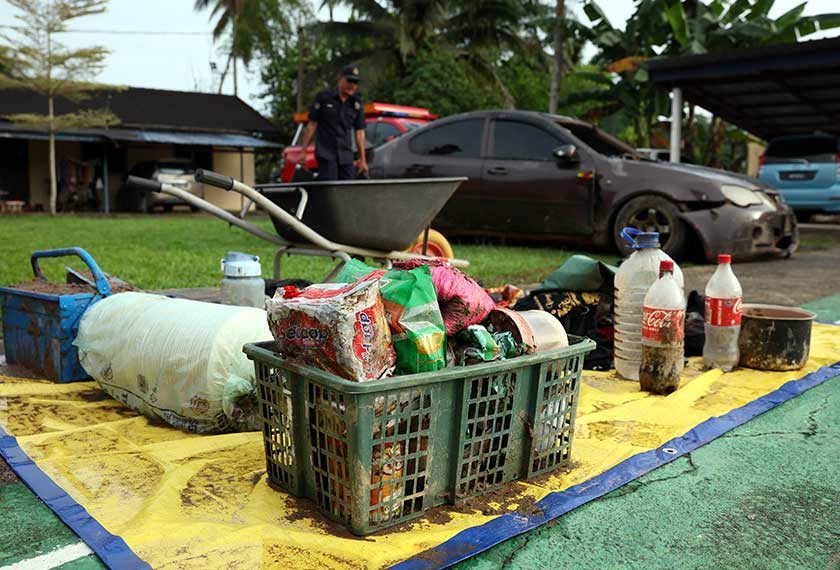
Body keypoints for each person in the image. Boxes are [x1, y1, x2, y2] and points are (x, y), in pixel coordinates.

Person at [296, 65, 368, 180]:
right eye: (349, 81)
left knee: (348, 188)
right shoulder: (324, 98)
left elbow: (359, 132)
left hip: (346, 155)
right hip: (326, 153)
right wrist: (303, 151)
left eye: (355, 82)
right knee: (330, 186)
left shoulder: (356, 104)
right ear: (339, 79)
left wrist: (363, 160)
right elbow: (312, 125)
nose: (352, 85)